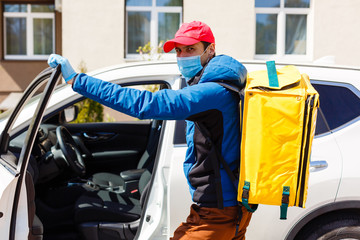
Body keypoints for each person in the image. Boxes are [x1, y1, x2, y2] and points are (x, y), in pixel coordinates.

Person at [48, 21, 252, 240]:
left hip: (219, 212)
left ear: (210, 49)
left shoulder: (212, 92)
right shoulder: (215, 85)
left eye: (190, 49)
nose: (182, 56)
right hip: (217, 208)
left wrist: (78, 81)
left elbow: (146, 104)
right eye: (179, 50)